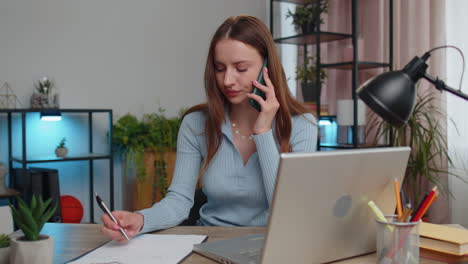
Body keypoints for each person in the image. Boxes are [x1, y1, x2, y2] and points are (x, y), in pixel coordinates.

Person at [101, 15, 317, 242]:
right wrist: (140, 220)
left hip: (271, 245)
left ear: (267, 67)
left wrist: (263, 131)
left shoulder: (303, 125)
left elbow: (288, 211)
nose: (227, 80)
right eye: (220, 68)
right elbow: (179, 201)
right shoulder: (196, 124)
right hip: (208, 241)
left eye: (241, 68)